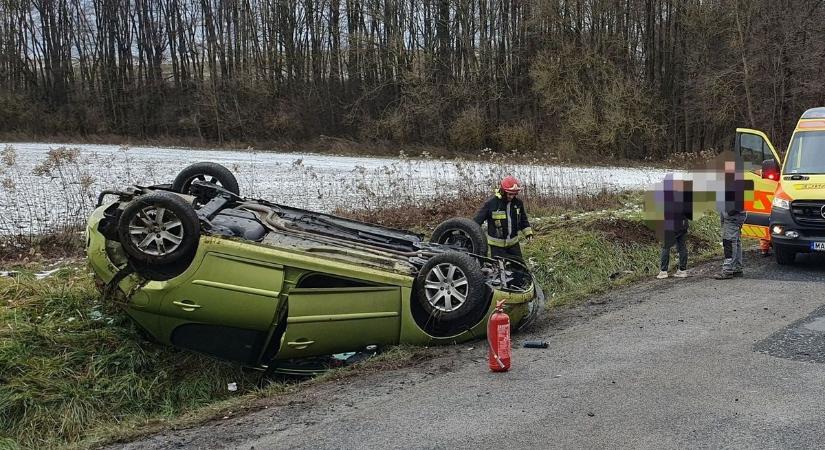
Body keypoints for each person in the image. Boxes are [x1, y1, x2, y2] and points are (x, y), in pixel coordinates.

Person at [474, 176, 533, 262]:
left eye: (514, 194)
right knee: (500, 271)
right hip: (497, 247)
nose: (512, 197)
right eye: (509, 194)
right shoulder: (491, 204)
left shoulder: (518, 203)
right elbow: (476, 222)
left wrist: (528, 234)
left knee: (519, 267)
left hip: (513, 244)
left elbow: (523, 220)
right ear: (502, 191)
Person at [714, 153, 749, 280]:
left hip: (733, 216)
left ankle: (728, 269)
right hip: (735, 215)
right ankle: (737, 268)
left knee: (729, 242)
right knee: (736, 242)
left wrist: (728, 213)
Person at [657, 176, 692, 279]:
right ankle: (682, 270)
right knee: (682, 247)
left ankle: (663, 271)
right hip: (683, 225)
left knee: (665, 247)